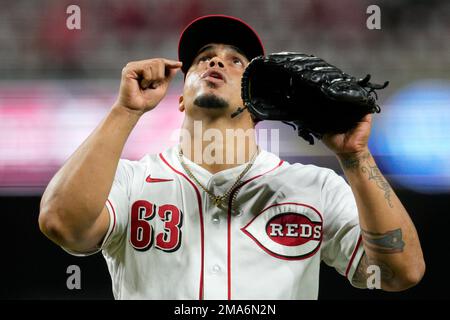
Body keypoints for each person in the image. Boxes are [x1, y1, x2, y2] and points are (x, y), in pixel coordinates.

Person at [38, 15, 425, 299]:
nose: (216, 62)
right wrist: (126, 110)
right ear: (180, 97)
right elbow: (61, 223)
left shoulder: (314, 187)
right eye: (203, 58)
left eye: (235, 61)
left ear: (258, 99)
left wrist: (357, 159)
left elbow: (400, 272)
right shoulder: (130, 180)